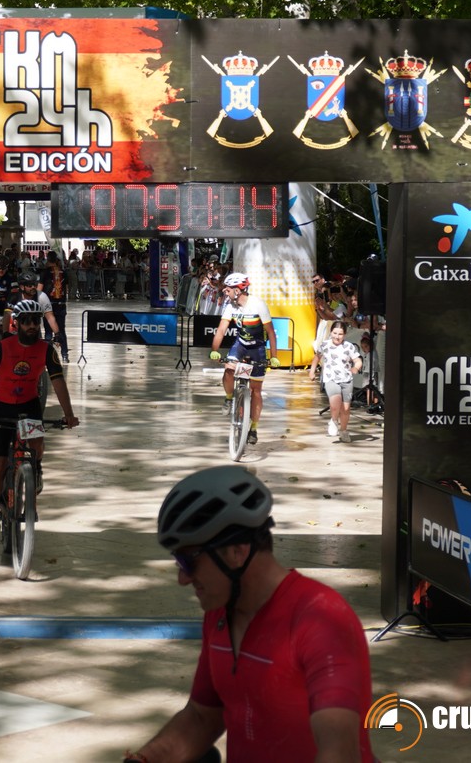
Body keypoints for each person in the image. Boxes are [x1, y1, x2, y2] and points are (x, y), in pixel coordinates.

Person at [127, 466, 374, 763]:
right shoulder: (219, 613)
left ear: (237, 551)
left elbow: (338, 752)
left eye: (188, 562)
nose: (182, 578)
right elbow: (202, 717)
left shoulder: (321, 619)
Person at [0, 298, 79, 541]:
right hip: (2, 408)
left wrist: (69, 414)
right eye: (26, 321)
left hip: (29, 406)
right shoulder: (1, 347)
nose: (32, 326)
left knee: (37, 445)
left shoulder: (47, 350)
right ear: (16, 323)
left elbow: (58, 382)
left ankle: (35, 469)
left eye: (35, 321)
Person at [208, 273, 277, 447]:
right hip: (240, 344)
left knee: (256, 391)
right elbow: (221, 330)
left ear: (238, 291)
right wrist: (214, 350)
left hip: (257, 348)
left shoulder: (258, 304)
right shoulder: (230, 306)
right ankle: (229, 397)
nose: (225, 291)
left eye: (228, 289)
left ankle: (253, 428)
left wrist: (274, 357)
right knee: (229, 368)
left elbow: (270, 332)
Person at [308, 321, 363, 443]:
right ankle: (333, 420)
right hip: (330, 378)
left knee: (346, 408)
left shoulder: (349, 346)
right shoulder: (325, 345)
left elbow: (358, 360)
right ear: (331, 332)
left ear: (345, 334)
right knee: (335, 402)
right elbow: (317, 358)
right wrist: (312, 371)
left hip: (346, 379)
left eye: (340, 334)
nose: (337, 336)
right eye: (335, 333)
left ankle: (343, 431)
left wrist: (355, 368)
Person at [40, 253, 70, 362]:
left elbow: (39, 290)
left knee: (48, 331)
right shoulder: (63, 272)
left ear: (48, 260)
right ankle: (64, 354)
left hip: (48, 305)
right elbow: (66, 288)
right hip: (61, 304)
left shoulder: (45, 273)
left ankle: (48, 357)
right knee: (61, 330)